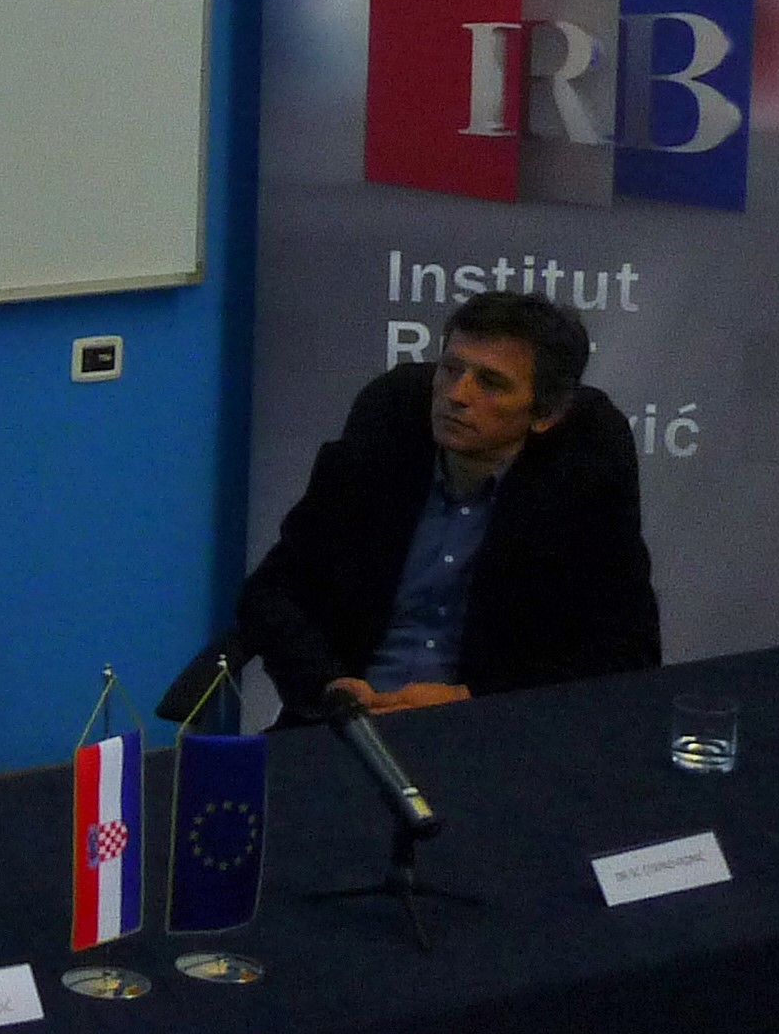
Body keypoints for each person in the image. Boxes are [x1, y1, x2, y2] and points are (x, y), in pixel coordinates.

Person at [236, 289, 658, 720]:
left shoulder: (584, 469)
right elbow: (272, 593)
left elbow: (626, 651)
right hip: (345, 719)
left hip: (492, 727)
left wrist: (473, 700)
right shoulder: (386, 428)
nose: (457, 394)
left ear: (545, 413)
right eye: (450, 369)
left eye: (490, 383)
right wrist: (329, 685)